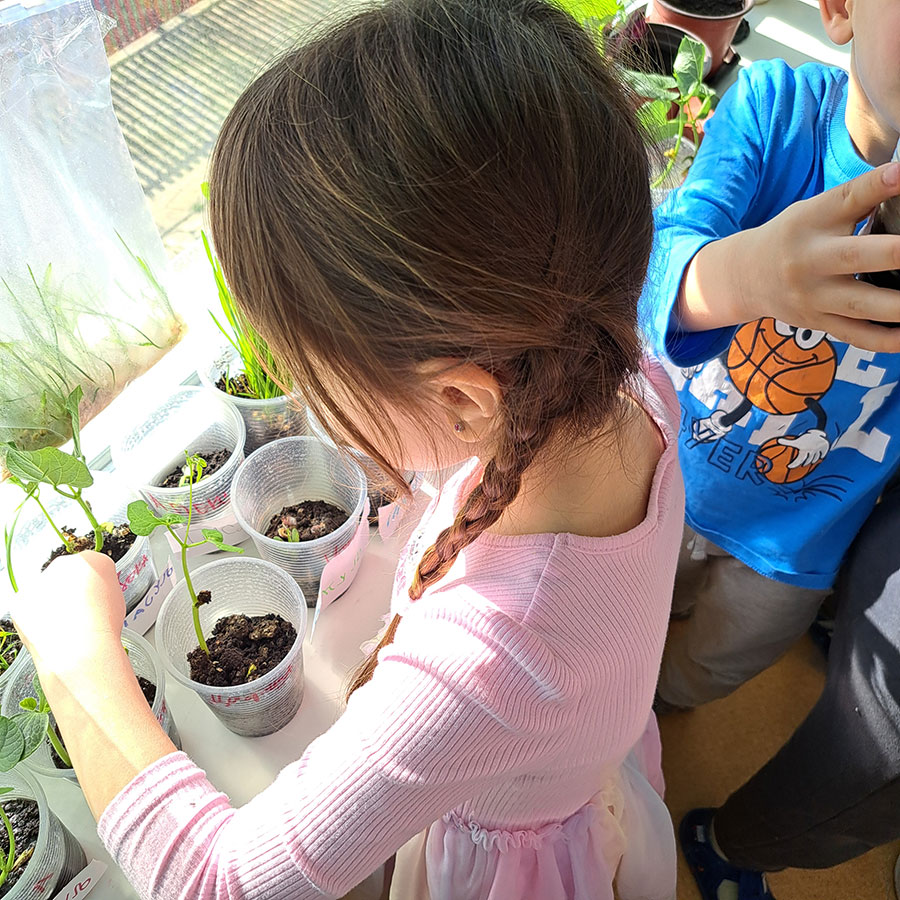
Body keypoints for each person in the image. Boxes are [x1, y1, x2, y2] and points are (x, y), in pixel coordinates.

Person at [9, 2, 686, 898]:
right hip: (582, 774)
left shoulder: (487, 665)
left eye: (306, 369)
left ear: (461, 401)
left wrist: (74, 658)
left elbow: (219, 881)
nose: (301, 392)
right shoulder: (629, 388)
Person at [642, 0, 900, 895]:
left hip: (794, 548)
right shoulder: (776, 109)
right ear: (841, 10)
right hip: (665, 481)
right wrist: (737, 275)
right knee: (628, 614)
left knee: (708, 665)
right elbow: (664, 258)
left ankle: (651, 706)